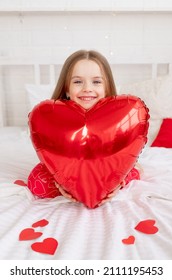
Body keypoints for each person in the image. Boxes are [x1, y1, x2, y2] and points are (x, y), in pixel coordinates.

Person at [27, 50, 141, 206]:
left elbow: (126, 156)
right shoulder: (53, 118)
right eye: (78, 82)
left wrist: (118, 182)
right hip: (68, 165)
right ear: (66, 88)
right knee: (37, 182)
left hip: (105, 164)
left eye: (96, 82)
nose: (87, 88)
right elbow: (52, 154)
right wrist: (61, 181)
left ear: (107, 87)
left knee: (135, 170)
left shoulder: (118, 118)